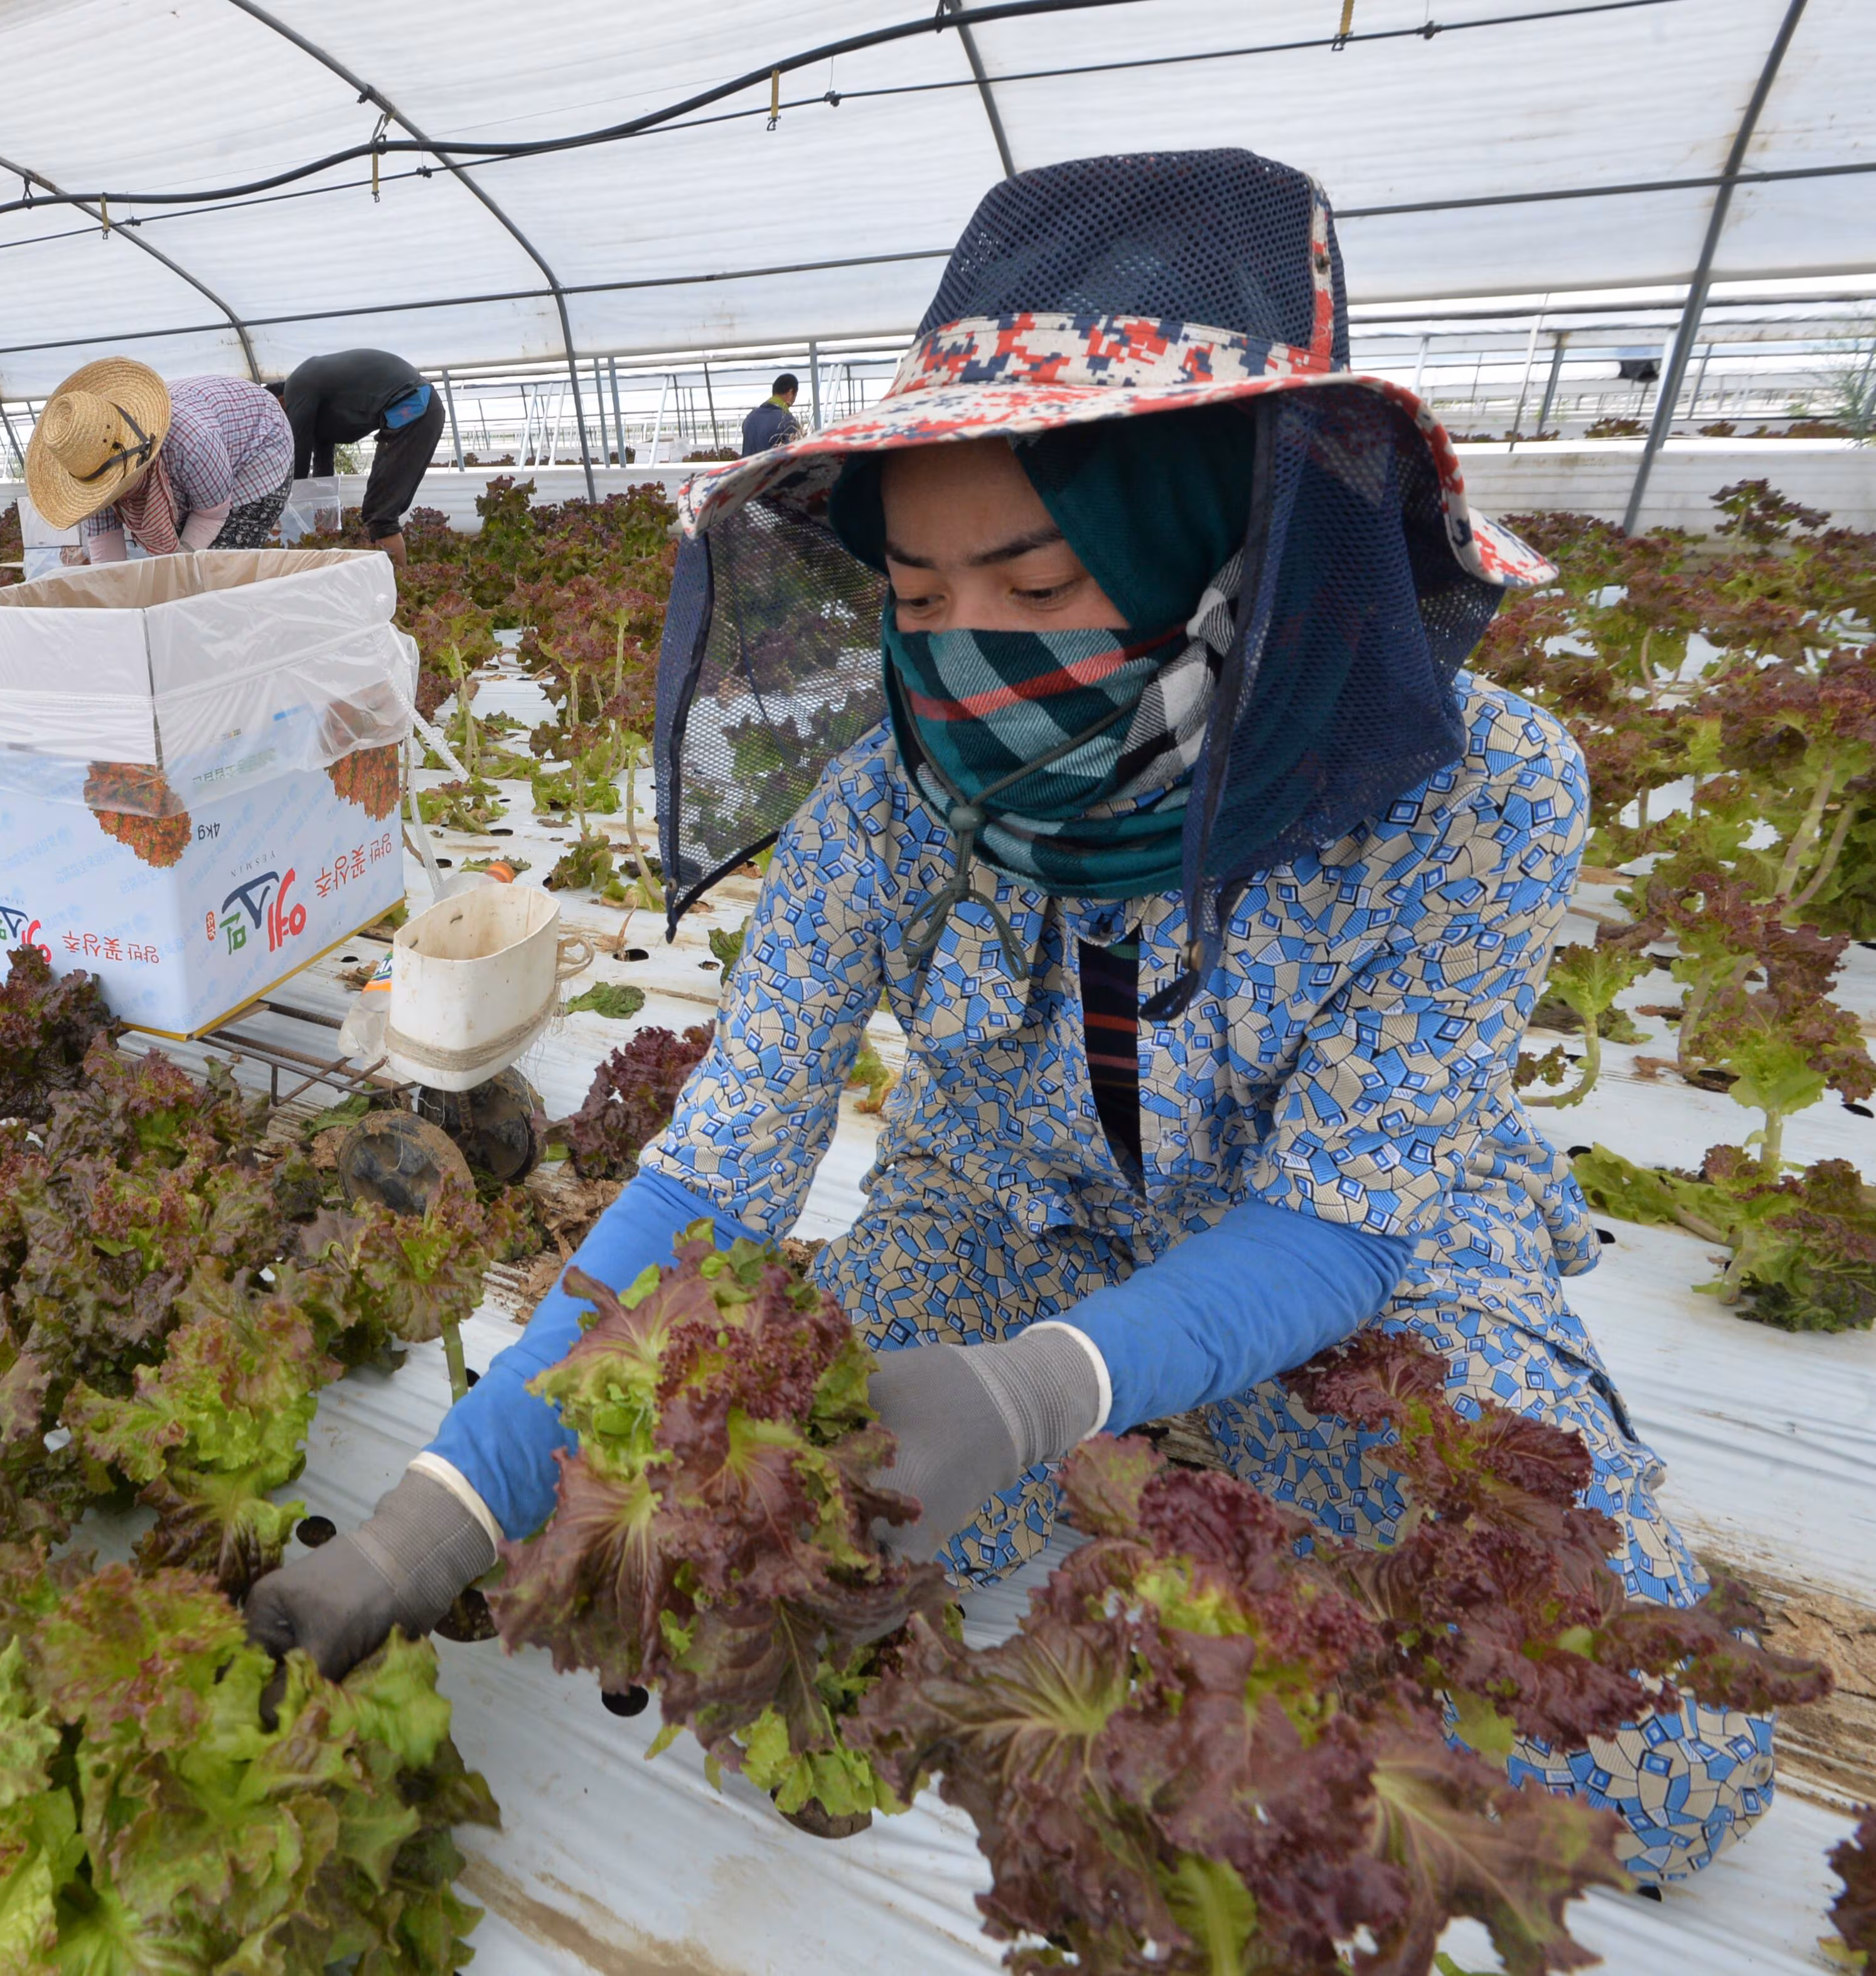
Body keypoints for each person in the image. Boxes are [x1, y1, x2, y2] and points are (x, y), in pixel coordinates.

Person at [245, 149, 1776, 1890]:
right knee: (768, 1548)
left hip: (1352, 1244)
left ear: (1221, 551)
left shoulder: (1470, 789)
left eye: (1037, 590)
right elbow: (714, 1178)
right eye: (915, 600)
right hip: (993, 1219)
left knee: (1652, 1767)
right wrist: (436, 1506)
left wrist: (1048, 1389)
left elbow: (1340, 1215)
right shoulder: (880, 805)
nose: (965, 651)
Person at [21, 359, 292, 564]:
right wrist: (115, 597)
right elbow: (106, 548)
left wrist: (179, 565)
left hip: (259, 447)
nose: (109, 494)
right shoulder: (89, 461)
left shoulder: (191, 440)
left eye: (115, 485)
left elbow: (211, 514)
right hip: (201, 462)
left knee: (215, 568)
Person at [269, 350, 445, 565]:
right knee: (380, 512)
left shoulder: (298, 385)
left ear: (280, 401)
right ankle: (397, 582)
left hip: (414, 406)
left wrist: (284, 508)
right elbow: (322, 466)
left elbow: (299, 454)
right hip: (418, 407)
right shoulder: (316, 401)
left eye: (276, 416)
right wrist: (319, 518)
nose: (280, 426)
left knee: (381, 516)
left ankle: (398, 587)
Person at [740, 372, 803, 455]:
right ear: (790, 393)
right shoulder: (788, 421)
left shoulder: (750, 418)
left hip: (748, 467)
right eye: (795, 396)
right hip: (773, 468)